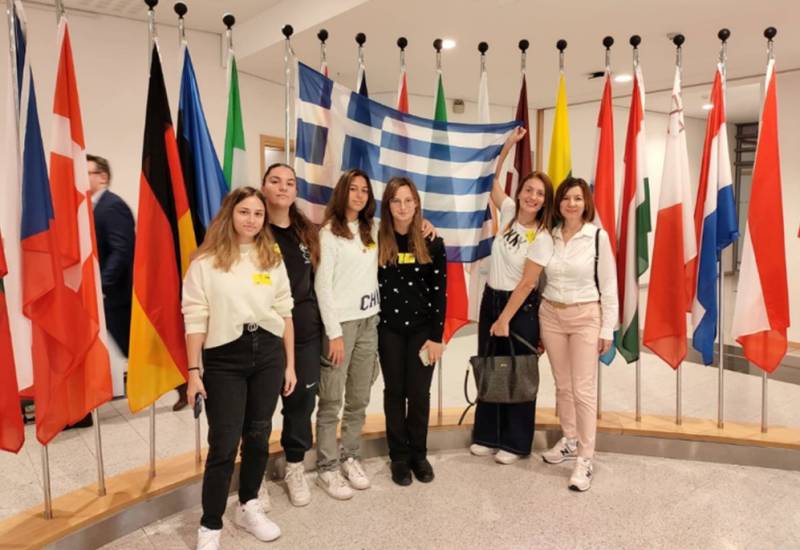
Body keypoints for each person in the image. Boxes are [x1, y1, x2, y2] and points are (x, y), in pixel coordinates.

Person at [183, 187, 297, 549]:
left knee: (259, 435)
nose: (251, 220)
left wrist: (290, 365)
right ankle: (210, 524)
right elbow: (194, 318)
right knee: (224, 442)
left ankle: (249, 505)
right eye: (244, 212)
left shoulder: (271, 258)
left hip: (268, 354)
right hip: (224, 359)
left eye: (258, 214)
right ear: (230, 214)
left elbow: (285, 312)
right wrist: (193, 371)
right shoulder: (205, 262)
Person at [470, 127, 555, 464]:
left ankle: (517, 443)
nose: (532, 197)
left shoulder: (543, 237)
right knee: (491, 367)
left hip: (519, 308)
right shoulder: (507, 213)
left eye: (540, 194)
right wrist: (506, 146)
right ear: (519, 193)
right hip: (491, 299)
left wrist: (505, 318)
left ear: (545, 201)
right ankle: (487, 435)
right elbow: (490, 180)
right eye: (528, 190)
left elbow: (527, 284)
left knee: (518, 373)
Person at [538, 177, 618, 492]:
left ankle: (585, 457)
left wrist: (607, 328)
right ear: (558, 203)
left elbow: (609, 286)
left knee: (583, 390)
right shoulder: (550, 235)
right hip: (551, 315)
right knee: (562, 385)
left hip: (585, 316)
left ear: (586, 204)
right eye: (566, 198)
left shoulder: (597, 237)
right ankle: (570, 440)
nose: (571, 204)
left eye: (578, 198)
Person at [314, 168, 380, 501]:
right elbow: (322, 286)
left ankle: (350, 457)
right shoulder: (329, 233)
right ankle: (326, 467)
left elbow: (405, 227)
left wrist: (426, 224)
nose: (359, 195)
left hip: (369, 322)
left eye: (364, 190)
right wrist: (334, 333)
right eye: (353, 189)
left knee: (359, 398)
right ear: (343, 192)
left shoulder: (372, 229)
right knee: (331, 401)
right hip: (341, 327)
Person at [377, 177, 447, 486]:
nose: (403, 207)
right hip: (389, 331)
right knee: (395, 392)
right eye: (396, 201)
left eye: (408, 200)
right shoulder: (378, 241)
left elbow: (440, 293)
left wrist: (437, 337)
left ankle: (418, 454)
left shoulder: (432, 242)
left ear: (417, 203)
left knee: (419, 394)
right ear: (388, 205)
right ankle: (399, 457)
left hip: (422, 332)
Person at [261, 163, 322, 507]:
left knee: (300, 405)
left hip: (305, 335)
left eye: (289, 183)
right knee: (259, 409)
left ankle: (295, 466)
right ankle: (254, 477)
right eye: (275, 181)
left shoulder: (307, 233)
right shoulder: (253, 229)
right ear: (264, 187)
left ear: (296, 191)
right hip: (265, 335)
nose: (282, 187)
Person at [88, 154, 135, 357]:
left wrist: (100, 285)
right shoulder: (90, 208)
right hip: (102, 299)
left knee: (131, 353)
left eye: (85, 173)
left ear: (103, 177)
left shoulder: (112, 206)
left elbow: (121, 251)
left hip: (116, 298)